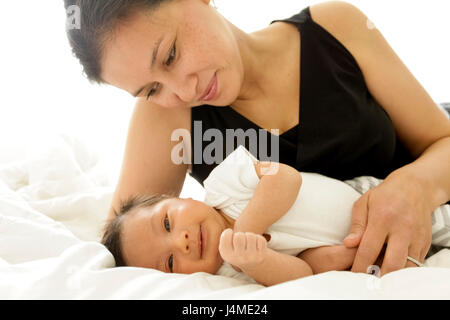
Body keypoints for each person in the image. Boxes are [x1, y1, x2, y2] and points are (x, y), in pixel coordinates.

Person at [64, 0, 450, 276]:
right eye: (149, 89)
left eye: (171, 55)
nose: (182, 91)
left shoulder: (336, 27)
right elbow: (125, 243)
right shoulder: (169, 114)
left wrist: (413, 185)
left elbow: (443, 140)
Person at [101, 146, 450, 286]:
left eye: (166, 222)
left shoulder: (223, 185)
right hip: (360, 245)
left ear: (174, 198)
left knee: (440, 220)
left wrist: (249, 226)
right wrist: (255, 261)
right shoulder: (230, 272)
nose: (183, 241)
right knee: (326, 263)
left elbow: (285, 178)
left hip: (367, 198)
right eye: (171, 263)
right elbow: (302, 273)